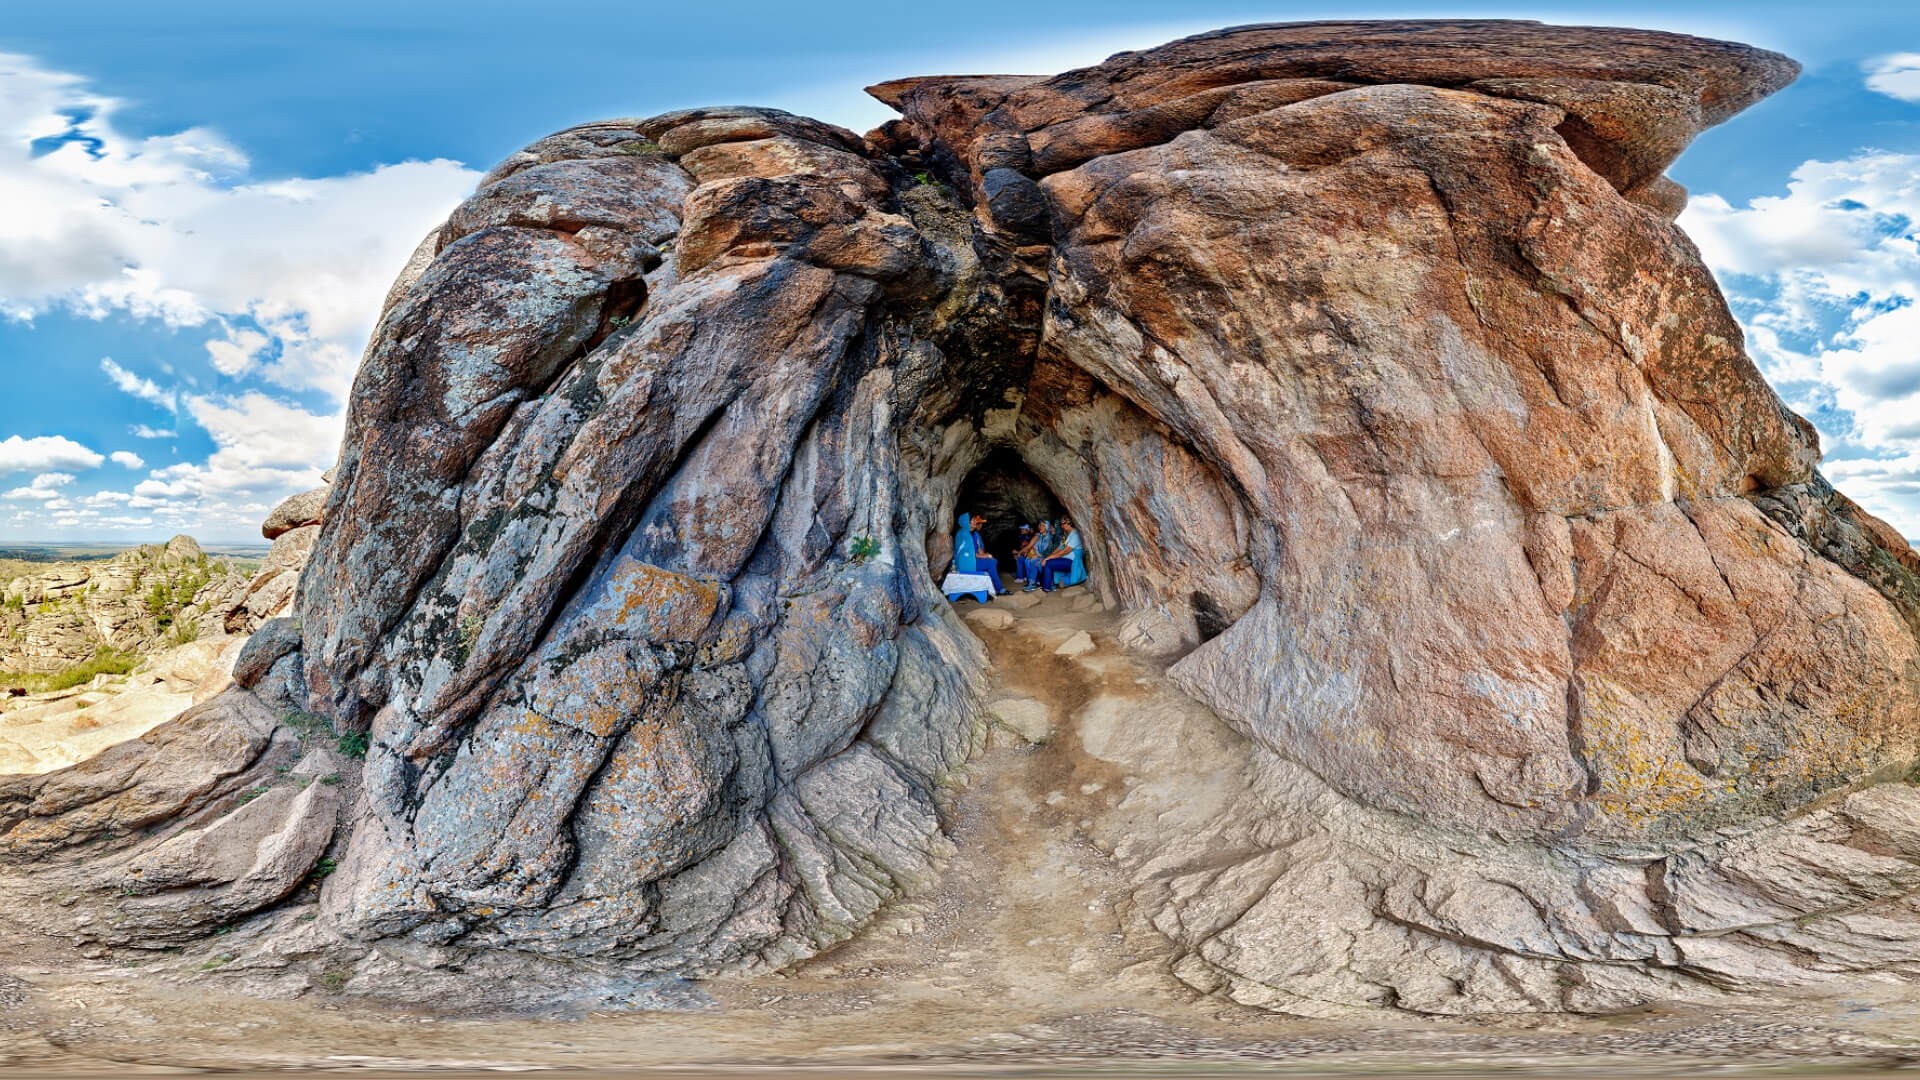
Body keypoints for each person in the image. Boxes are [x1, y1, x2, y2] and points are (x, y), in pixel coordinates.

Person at [954, 511, 1007, 595]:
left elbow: (978, 549)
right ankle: (999, 589)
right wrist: (985, 556)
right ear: (967, 522)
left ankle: (993, 587)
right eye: (973, 520)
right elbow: (968, 554)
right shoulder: (963, 534)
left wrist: (985, 555)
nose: (976, 522)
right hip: (966, 563)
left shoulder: (973, 534)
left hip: (973, 560)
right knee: (991, 563)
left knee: (992, 560)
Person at [1033, 516, 1085, 592]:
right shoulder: (1067, 534)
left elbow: (1064, 551)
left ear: (1069, 523)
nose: (1062, 526)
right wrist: (1049, 556)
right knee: (1044, 562)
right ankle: (1047, 585)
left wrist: (1048, 558)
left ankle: (1047, 587)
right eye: (1061, 524)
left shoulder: (1075, 535)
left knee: (1048, 563)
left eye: (1063, 523)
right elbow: (1060, 548)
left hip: (1072, 562)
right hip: (1065, 559)